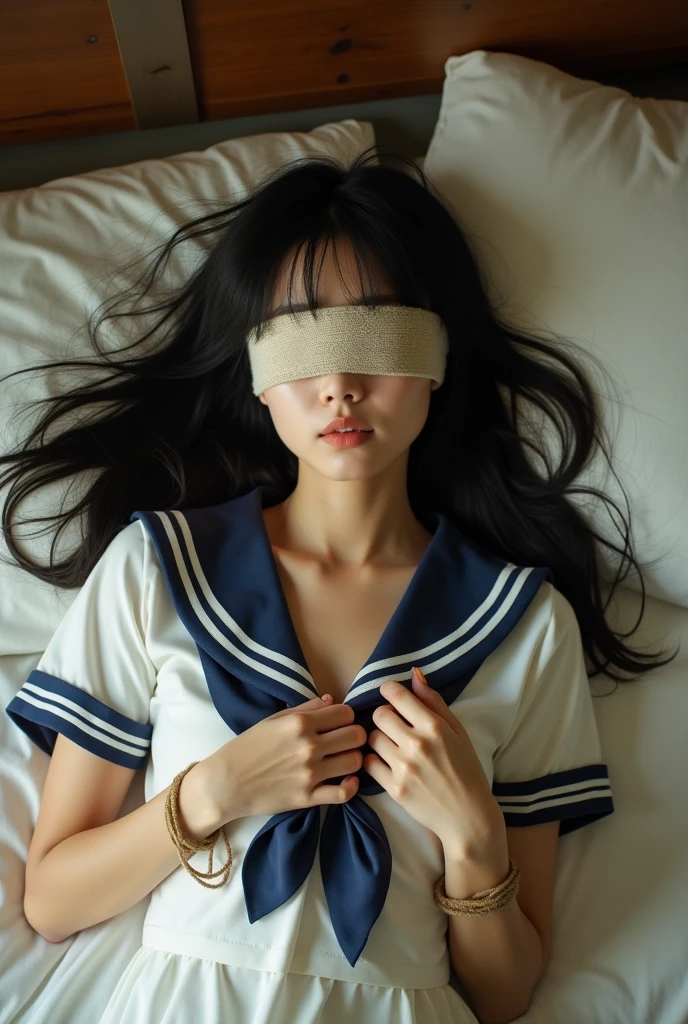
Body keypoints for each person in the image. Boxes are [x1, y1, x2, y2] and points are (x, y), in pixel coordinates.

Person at [1, 147, 678, 1024]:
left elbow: (506, 994)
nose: (340, 386)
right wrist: (211, 793)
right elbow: (53, 900)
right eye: (302, 337)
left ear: (437, 358)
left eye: (378, 331)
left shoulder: (523, 624)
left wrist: (473, 836)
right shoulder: (155, 570)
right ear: (257, 372)